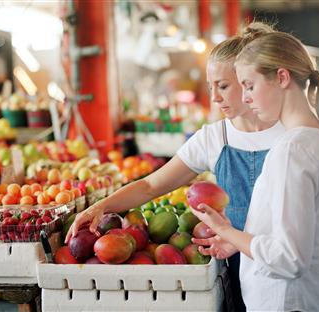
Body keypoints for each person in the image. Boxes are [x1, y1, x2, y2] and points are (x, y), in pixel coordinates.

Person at [65, 22, 283, 311]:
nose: (215, 97)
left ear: (247, 80)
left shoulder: (292, 133)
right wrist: (100, 207)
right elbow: (151, 185)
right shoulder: (215, 137)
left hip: (286, 259)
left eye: (223, 86)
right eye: (210, 87)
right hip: (237, 265)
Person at [191, 31, 319, 311]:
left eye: (249, 86)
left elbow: (288, 259)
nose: (247, 97)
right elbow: (291, 234)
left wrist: (223, 229)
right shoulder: (315, 140)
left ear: (282, 77)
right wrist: (238, 243)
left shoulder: (293, 150)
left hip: (288, 302)